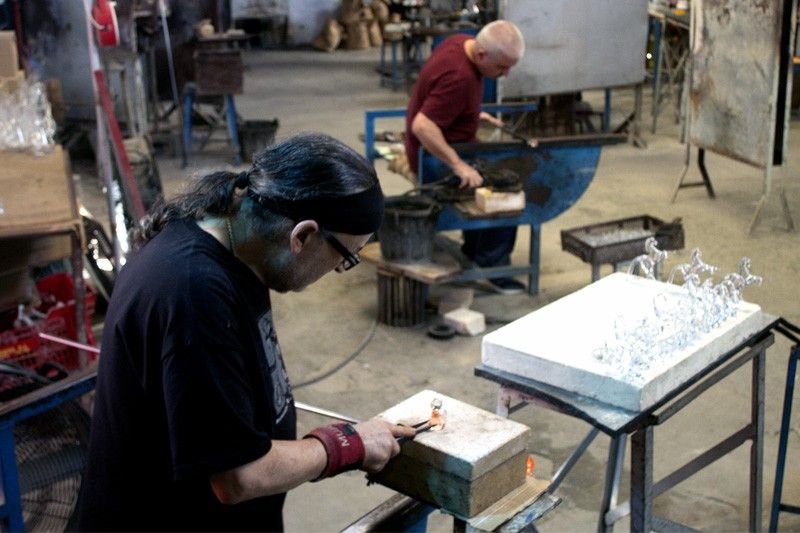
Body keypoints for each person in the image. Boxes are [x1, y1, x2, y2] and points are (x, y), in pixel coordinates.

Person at [75, 133, 416, 532]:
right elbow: (238, 477)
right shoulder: (192, 293)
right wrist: (347, 445)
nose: (338, 271)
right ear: (303, 235)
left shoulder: (237, 248)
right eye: (346, 258)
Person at [405, 20, 527, 294]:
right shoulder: (458, 77)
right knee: (506, 194)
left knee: (490, 177)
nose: (505, 74)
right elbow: (423, 126)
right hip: (432, 157)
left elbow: (442, 100)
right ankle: (492, 268)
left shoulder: (462, 42)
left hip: (449, 144)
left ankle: (475, 251)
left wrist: (471, 113)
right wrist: (458, 166)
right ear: (482, 55)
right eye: (502, 67)